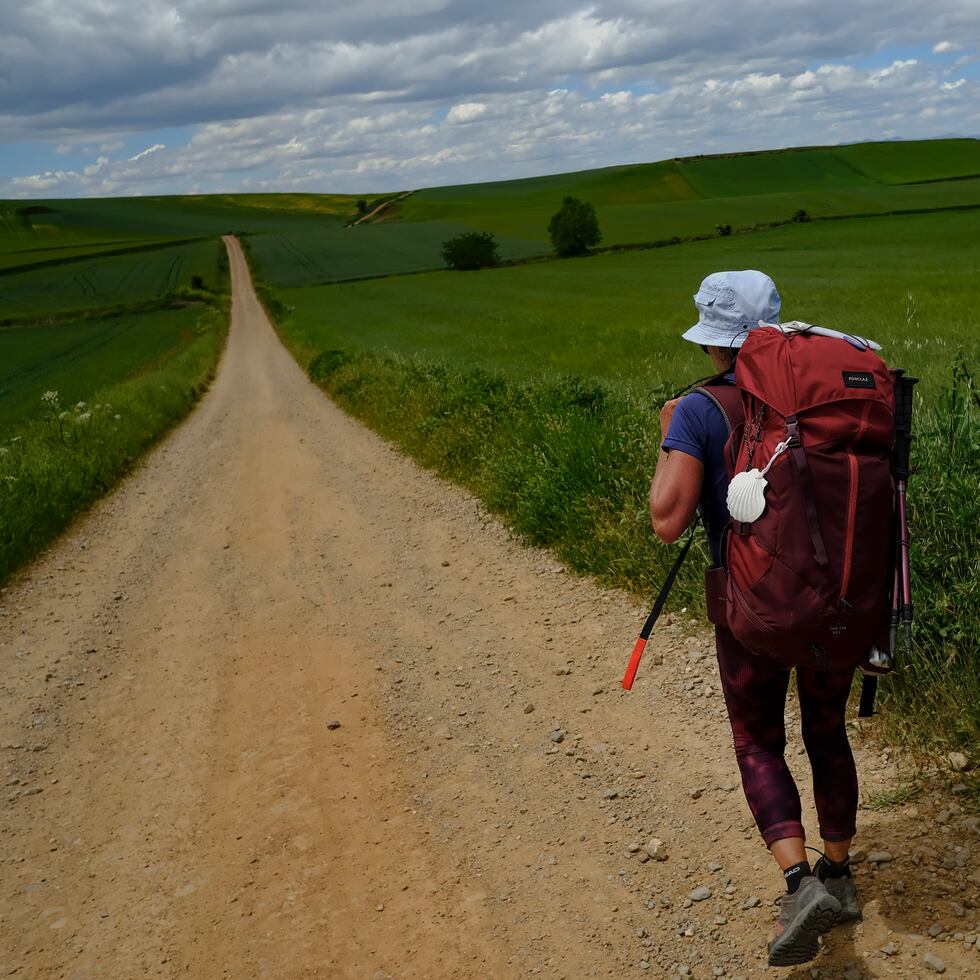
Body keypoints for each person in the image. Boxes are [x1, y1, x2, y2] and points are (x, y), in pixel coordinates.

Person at [648, 271, 861, 967]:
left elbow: (667, 522)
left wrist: (668, 438)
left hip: (752, 613)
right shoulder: (820, 399)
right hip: (838, 602)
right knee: (825, 727)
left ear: (714, 345)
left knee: (758, 739)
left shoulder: (699, 409)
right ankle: (840, 873)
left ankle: (799, 884)